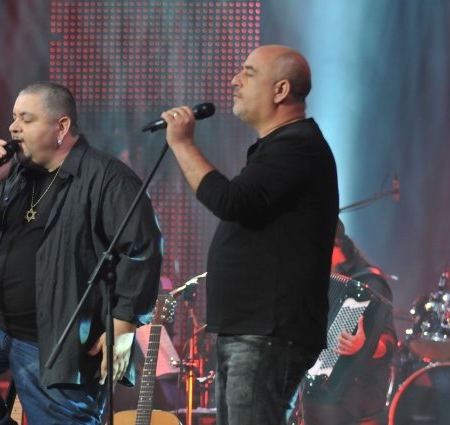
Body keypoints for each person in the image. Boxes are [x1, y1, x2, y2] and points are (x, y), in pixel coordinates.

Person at [0, 81, 163, 424]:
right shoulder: (16, 174)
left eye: (26, 119)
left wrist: (122, 327)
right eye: (13, 117)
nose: (13, 128)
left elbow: (142, 253)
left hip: (57, 338)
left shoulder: (109, 179)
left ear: (61, 127)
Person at [160, 44, 339, 425]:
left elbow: (230, 201)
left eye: (248, 72)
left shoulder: (297, 146)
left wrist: (182, 143)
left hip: (266, 331)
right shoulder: (281, 146)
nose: (234, 80)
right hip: (252, 331)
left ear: (280, 90)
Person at [298, 219, 396, 425]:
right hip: (320, 387)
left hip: (359, 385)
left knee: (318, 405)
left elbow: (389, 342)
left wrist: (364, 346)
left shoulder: (369, 281)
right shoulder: (318, 279)